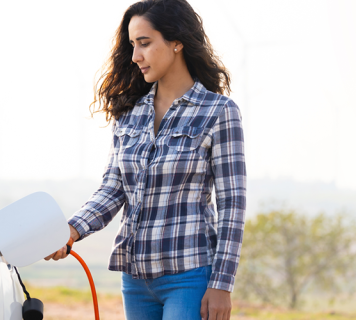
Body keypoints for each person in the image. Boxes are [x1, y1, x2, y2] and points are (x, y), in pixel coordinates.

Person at [43, 1, 246, 319]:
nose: (136, 56)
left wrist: (222, 284)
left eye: (145, 43)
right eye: (132, 45)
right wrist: (70, 230)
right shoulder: (129, 113)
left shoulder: (219, 112)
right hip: (135, 280)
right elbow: (112, 190)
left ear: (176, 42)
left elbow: (232, 206)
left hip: (189, 276)